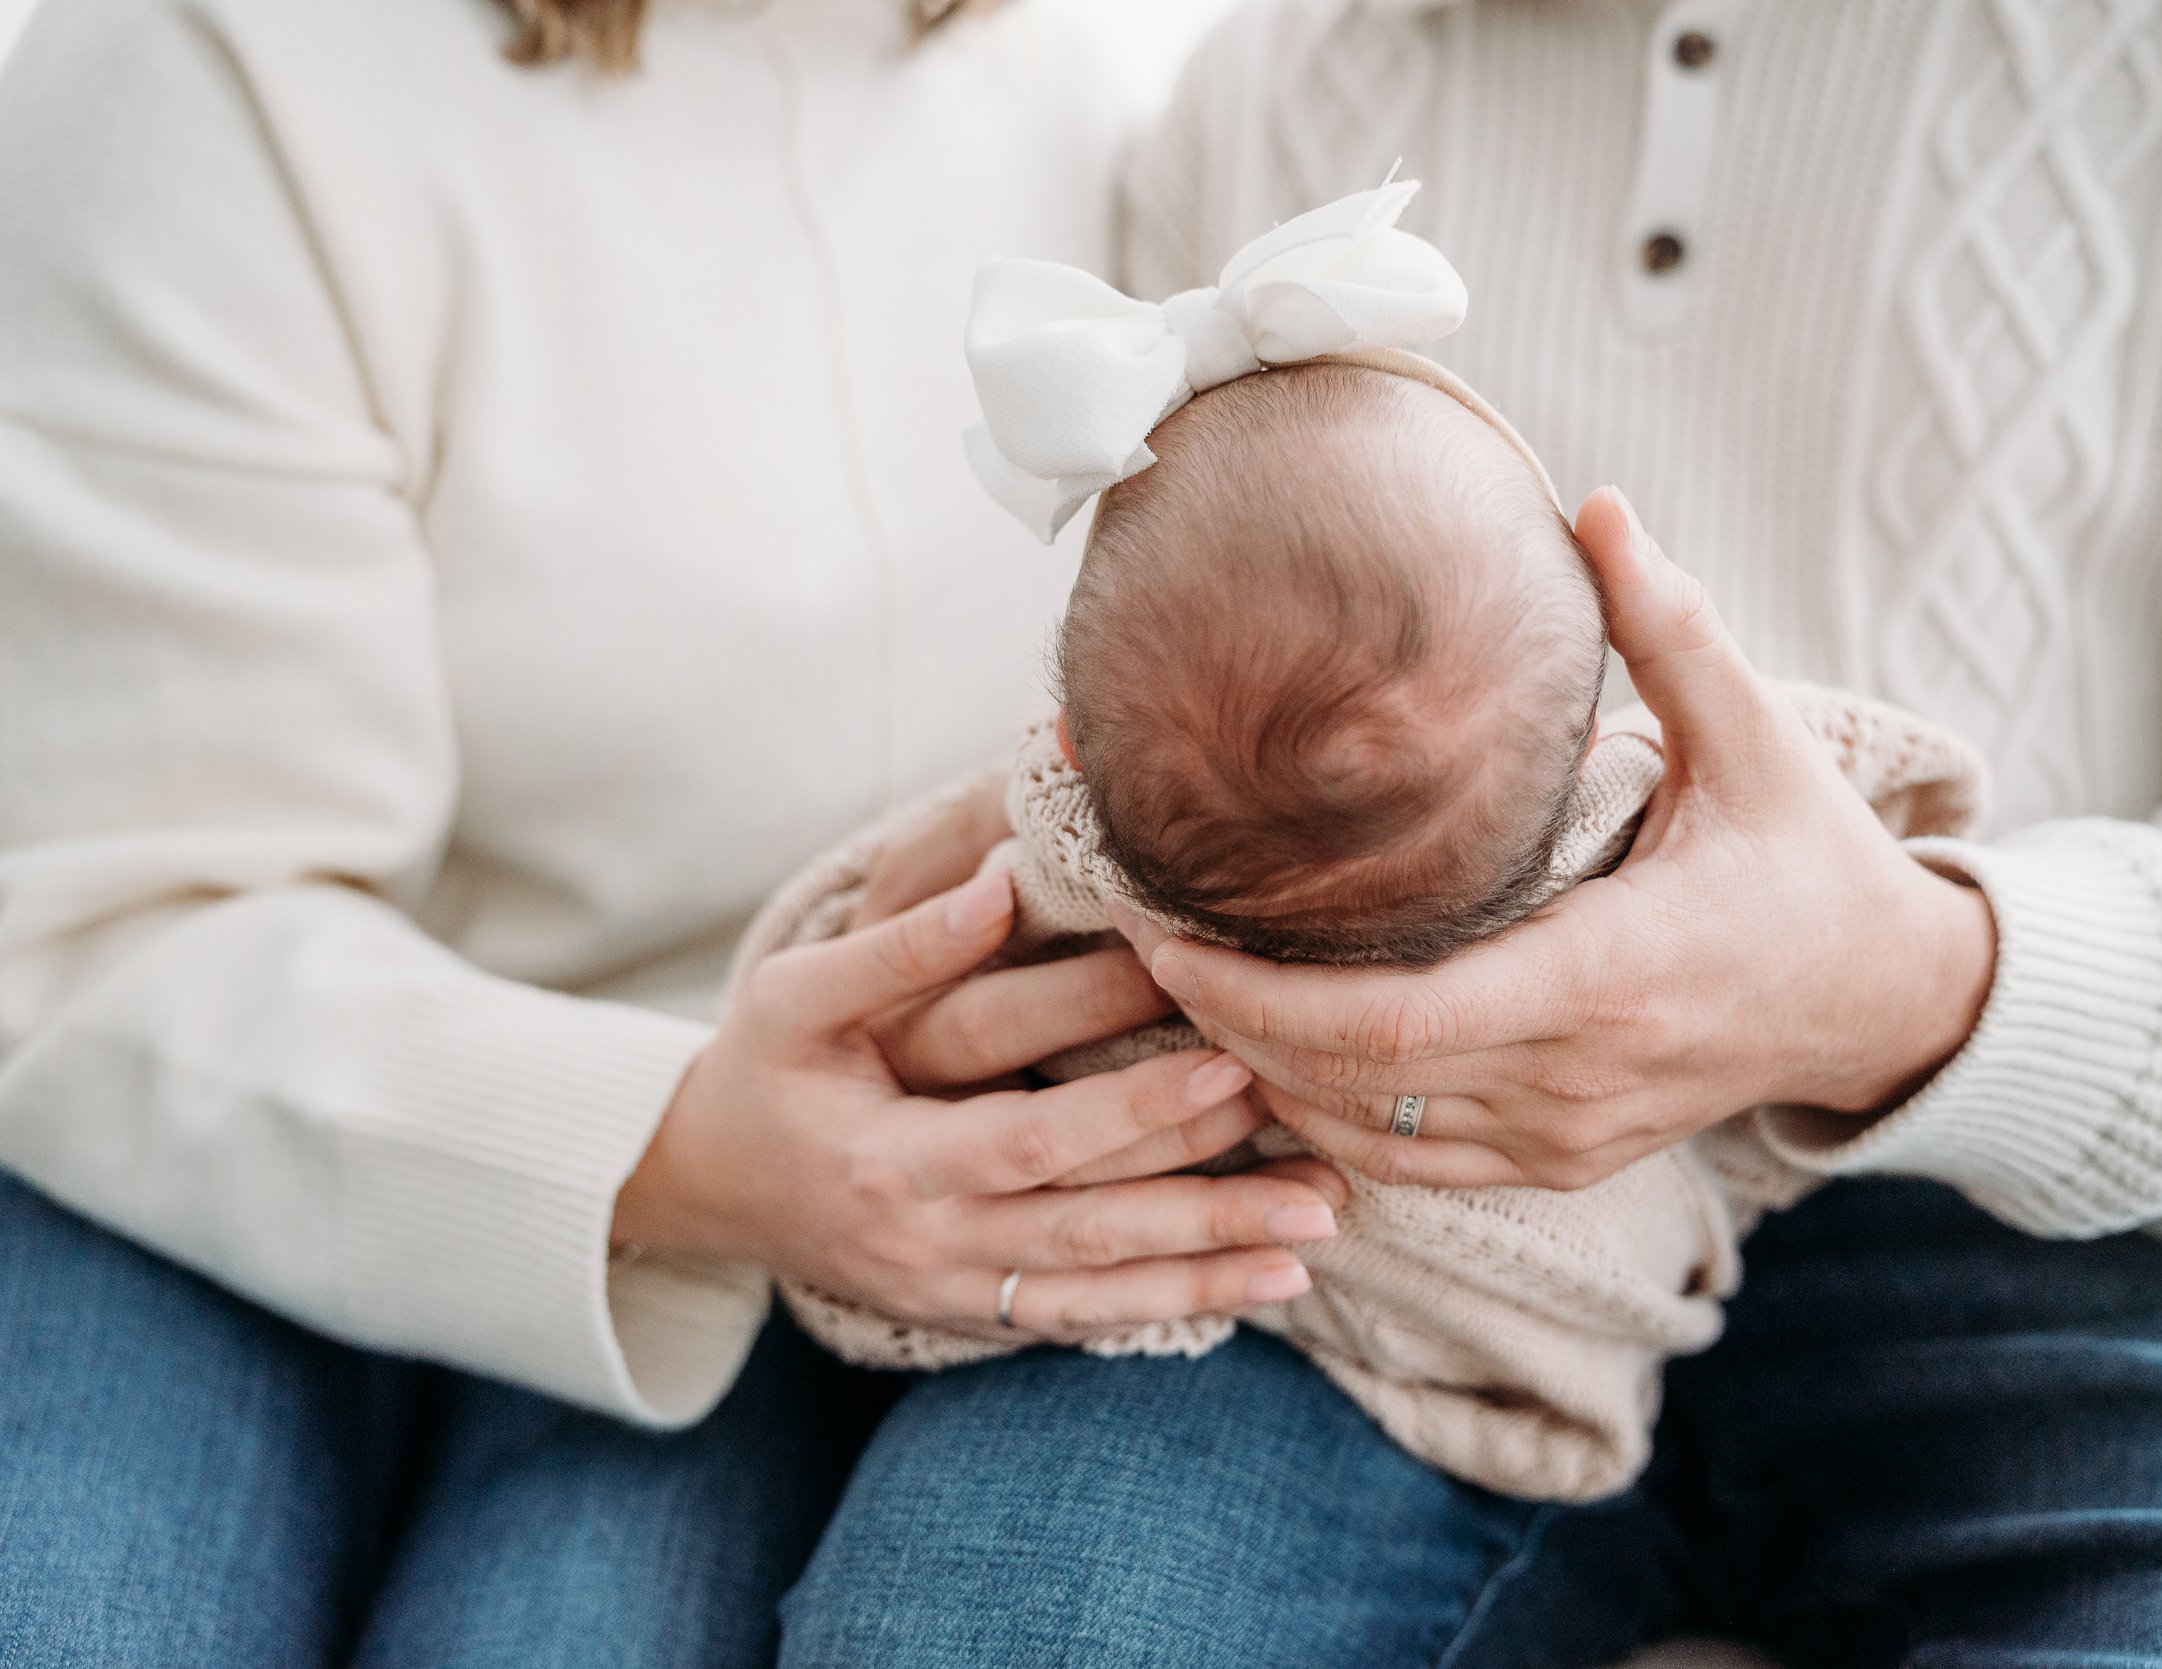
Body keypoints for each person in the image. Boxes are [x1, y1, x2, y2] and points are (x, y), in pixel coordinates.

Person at [782, 2, 2162, 1664]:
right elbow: (1155, 730)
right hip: (1337, 1236)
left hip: (2072, 1183)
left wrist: (1919, 981)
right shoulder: (1249, 96)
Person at [0, 0, 1342, 1662]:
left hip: (812, 1201)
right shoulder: (209, 70)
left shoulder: (1114, 109)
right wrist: (678, 1148)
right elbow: (108, 916)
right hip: (199, 1126)